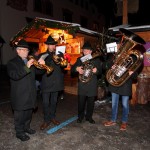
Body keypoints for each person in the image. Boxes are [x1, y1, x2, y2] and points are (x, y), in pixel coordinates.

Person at [7, 39, 45, 141]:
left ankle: (26, 127)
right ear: (17, 51)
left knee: (28, 113)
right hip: (19, 94)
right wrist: (27, 67)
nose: (25, 52)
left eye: (27, 50)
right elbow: (14, 76)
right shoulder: (12, 63)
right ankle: (19, 132)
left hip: (30, 93)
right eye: (23, 50)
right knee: (19, 116)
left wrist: (42, 66)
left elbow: (38, 73)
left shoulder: (30, 61)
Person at [40, 35, 67, 130]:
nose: (52, 46)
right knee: (45, 103)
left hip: (56, 82)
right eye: (50, 45)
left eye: (53, 45)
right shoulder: (42, 55)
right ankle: (46, 120)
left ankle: (52, 118)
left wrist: (63, 60)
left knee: (54, 102)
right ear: (47, 45)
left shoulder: (60, 54)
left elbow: (64, 66)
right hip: (46, 82)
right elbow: (39, 70)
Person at [71, 42, 102, 124]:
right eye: (84, 51)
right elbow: (72, 69)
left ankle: (89, 117)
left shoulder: (96, 60)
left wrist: (96, 71)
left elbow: (101, 72)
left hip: (92, 85)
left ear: (91, 51)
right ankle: (80, 117)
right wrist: (76, 69)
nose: (86, 52)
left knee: (91, 104)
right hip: (82, 85)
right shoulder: (80, 59)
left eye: (87, 50)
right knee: (81, 103)